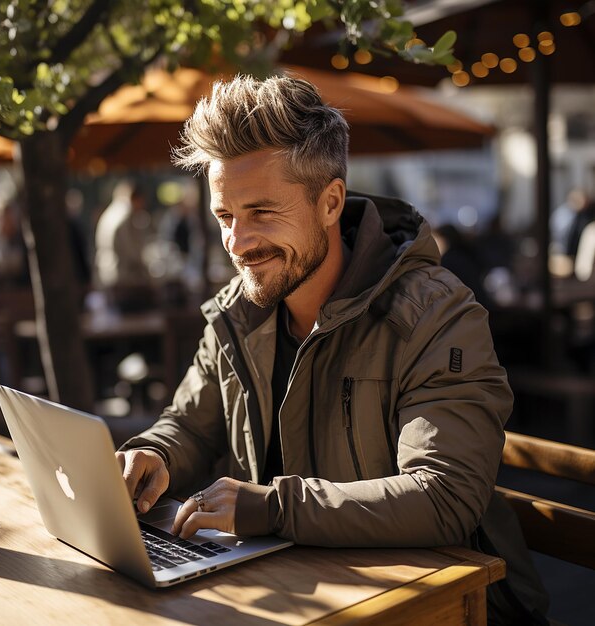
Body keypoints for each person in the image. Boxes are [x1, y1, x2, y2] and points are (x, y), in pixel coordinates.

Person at [117, 75, 548, 624]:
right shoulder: (235, 312)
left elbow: (443, 497)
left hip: (435, 607)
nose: (238, 243)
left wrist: (272, 508)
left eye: (262, 213)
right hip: (293, 595)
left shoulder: (436, 316)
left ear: (331, 202)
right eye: (225, 216)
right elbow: (192, 425)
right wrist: (153, 455)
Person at [94, 180, 154, 311]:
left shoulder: (111, 212)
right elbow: (132, 253)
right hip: (123, 280)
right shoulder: (124, 215)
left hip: (109, 275)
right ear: (136, 198)